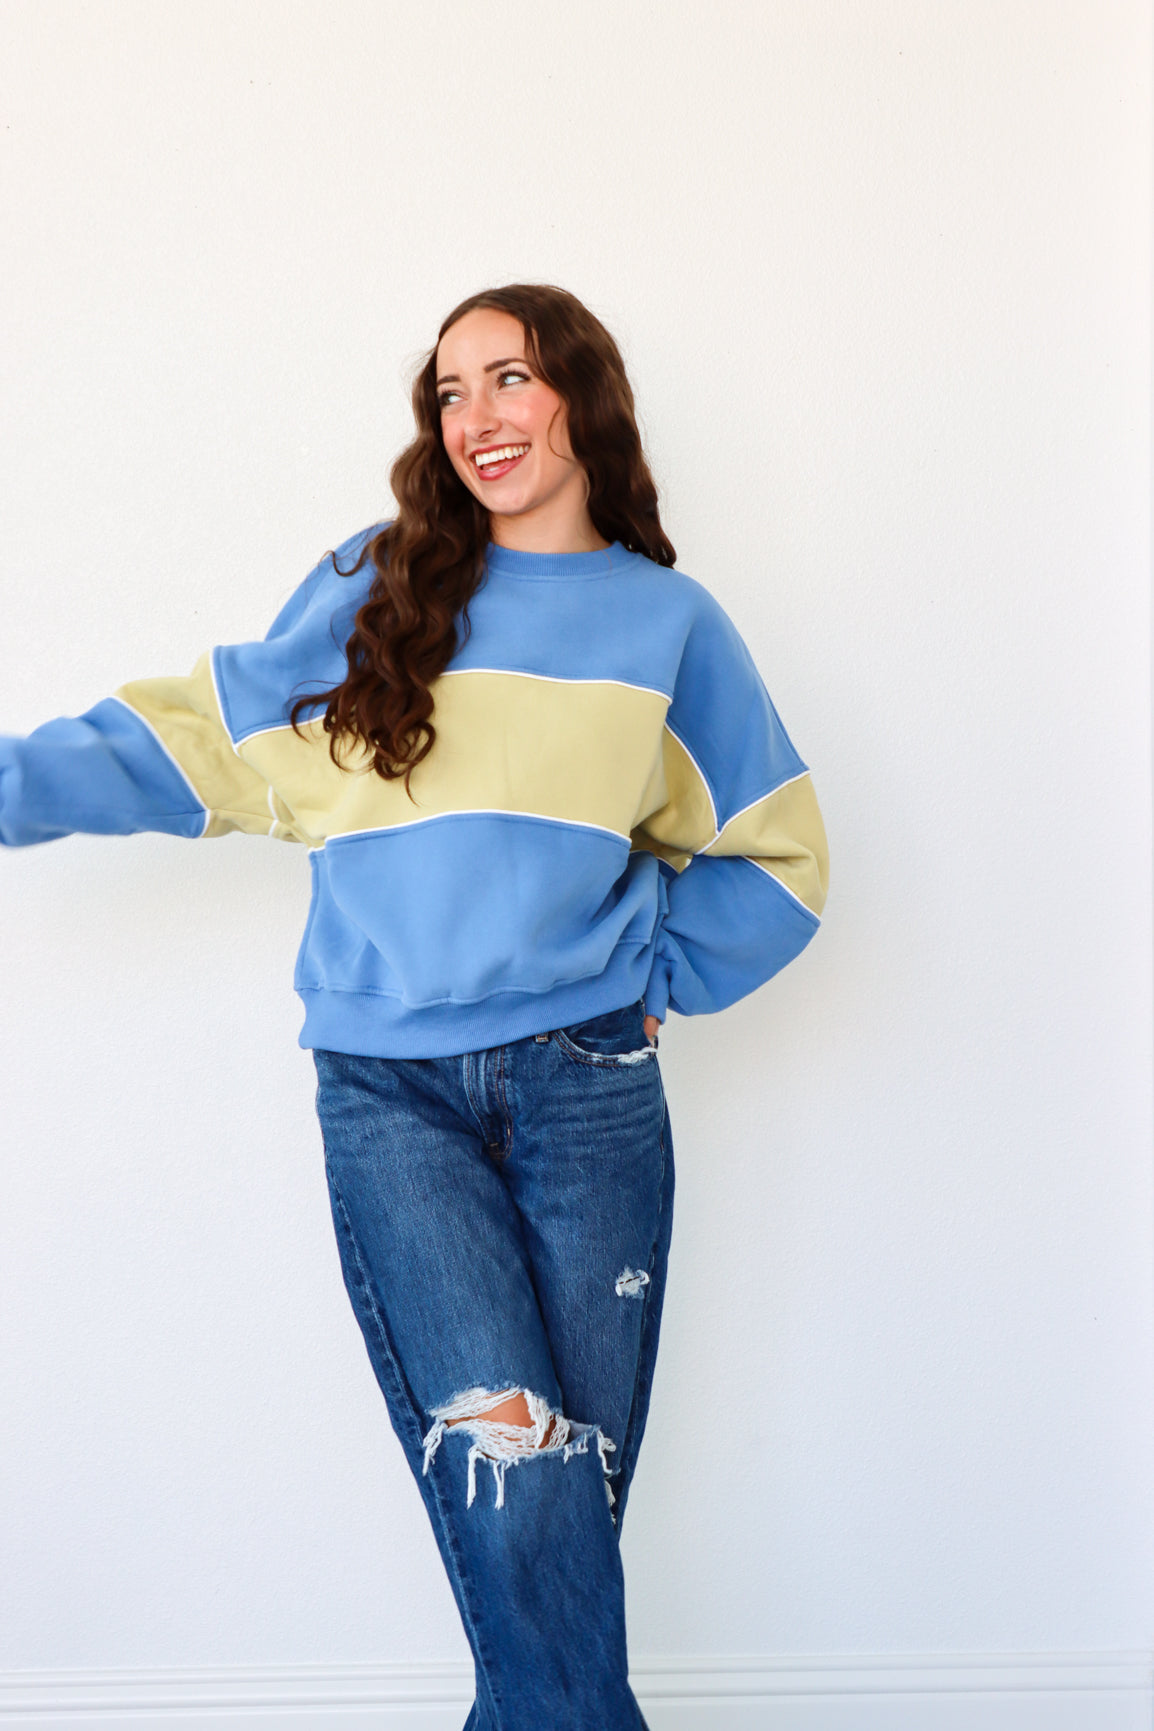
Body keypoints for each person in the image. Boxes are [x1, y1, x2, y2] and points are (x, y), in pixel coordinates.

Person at [0, 283, 829, 1729]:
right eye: (448, 394)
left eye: (508, 380)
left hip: (587, 1092)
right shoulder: (384, 591)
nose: (477, 419)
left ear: (581, 395)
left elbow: (779, 857)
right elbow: (195, 737)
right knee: (519, 1497)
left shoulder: (668, 626)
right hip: (394, 1101)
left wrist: (640, 981)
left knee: (560, 1507)